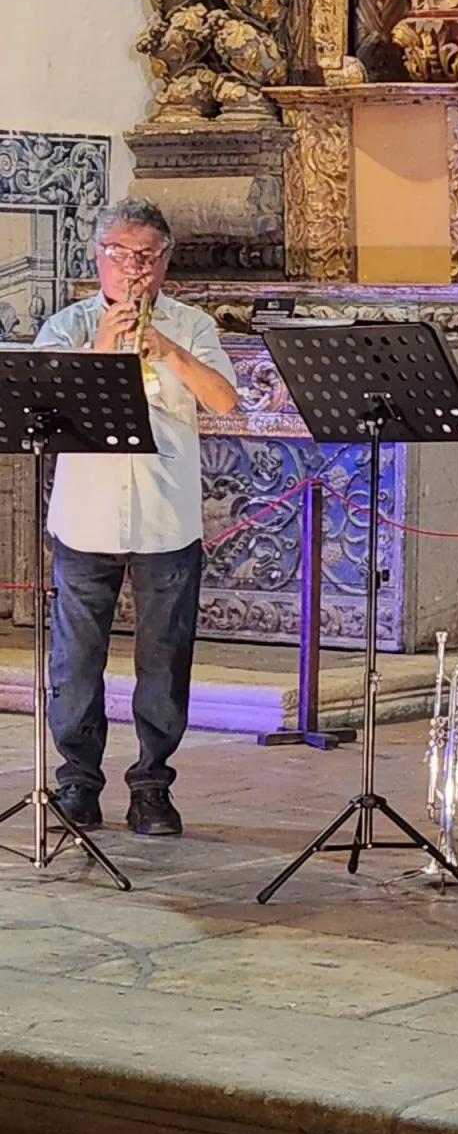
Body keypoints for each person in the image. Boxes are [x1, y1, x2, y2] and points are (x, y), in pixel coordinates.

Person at [34, 199, 238, 836]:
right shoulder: (66, 326)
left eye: (147, 257)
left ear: (165, 261)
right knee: (76, 658)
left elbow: (224, 401)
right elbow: (43, 410)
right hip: (85, 513)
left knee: (165, 658)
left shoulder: (192, 325)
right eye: (121, 255)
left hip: (165, 515)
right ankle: (77, 781)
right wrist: (101, 347)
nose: (134, 269)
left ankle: (152, 784)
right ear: (100, 258)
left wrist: (168, 350)